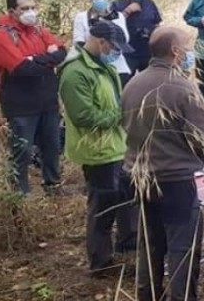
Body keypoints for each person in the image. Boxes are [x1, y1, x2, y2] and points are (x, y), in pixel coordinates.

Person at [123, 26, 204, 301]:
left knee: (150, 247)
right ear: (175, 51)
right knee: (182, 250)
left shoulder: (133, 84)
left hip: (139, 177)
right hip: (174, 183)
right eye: (188, 46)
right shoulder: (181, 87)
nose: (191, 52)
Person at [58, 21, 138, 278]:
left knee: (127, 196)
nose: (118, 53)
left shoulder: (103, 64)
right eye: (115, 47)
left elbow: (113, 99)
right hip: (96, 150)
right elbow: (84, 116)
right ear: (101, 42)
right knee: (103, 206)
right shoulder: (75, 73)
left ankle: (128, 240)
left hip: (117, 145)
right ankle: (101, 263)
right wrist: (123, 114)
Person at [0, 0, 66, 195]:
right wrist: (46, 58)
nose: (31, 12)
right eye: (25, 9)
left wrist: (35, 59)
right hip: (21, 105)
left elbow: (62, 51)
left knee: (52, 146)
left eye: (33, 7)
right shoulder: (1, 37)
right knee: (21, 150)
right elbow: (23, 69)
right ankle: (19, 194)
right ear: (11, 11)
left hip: (47, 100)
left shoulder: (39, 30)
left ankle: (53, 186)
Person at [72, 0, 132, 84]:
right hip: (94, 65)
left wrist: (108, 21)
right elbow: (78, 42)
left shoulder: (117, 16)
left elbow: (125, 39)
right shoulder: (81, 17)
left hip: (117, 66)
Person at [113, 0, 162, 78]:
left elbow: (157, 24)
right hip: (126, 54)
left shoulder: (149, 4)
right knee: (124, 86)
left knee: (150, 85)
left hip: (147, 53)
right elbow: (112, 26)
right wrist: (127, 11)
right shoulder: (117, 5)